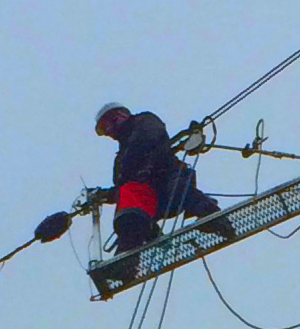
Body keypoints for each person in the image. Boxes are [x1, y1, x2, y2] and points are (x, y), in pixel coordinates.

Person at [34, 103, 228, 252]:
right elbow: (123, 187)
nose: (109, 132)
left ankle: (214, 219)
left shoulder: (143, 122)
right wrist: (104, 195)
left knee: (183, 193)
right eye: (104, 130)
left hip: (169, 181)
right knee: (129, 208)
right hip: (151, 201)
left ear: (121, 116)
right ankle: (129, 248)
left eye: (109, 125)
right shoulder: (121, 159)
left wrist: (134, 166)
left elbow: (149, 136)